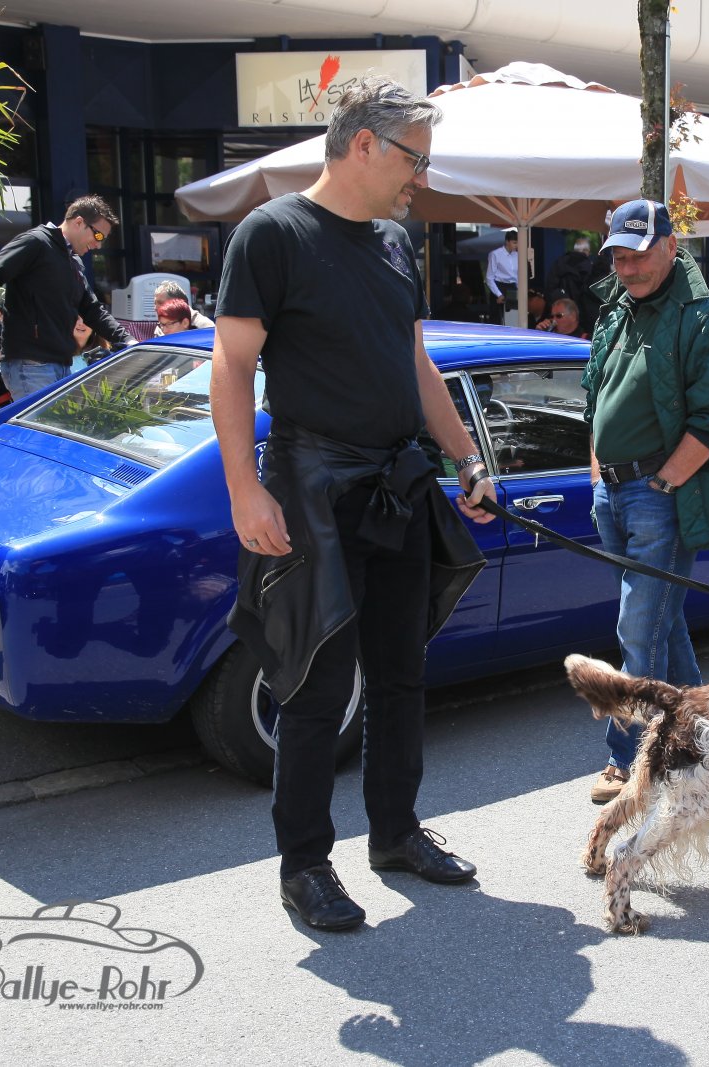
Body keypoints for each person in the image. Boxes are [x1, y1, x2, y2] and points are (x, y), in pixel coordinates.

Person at [209, 76, 495, 933]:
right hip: (313, 490)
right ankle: (304, 865)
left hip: (397, 486)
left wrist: (466, 457)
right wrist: (244, 488)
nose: (422, 179)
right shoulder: (272, 233)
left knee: (401, 674)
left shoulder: (397, 241)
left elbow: (416, 364)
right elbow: (231, 365)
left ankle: (396, 833)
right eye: (415, 160)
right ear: (364, 144)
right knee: (315, 685)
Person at [582, 198, 709, 803]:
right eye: (618, 257)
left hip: (658, 495)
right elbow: (594, 395)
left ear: (671, 247)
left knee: (639, 630)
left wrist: (664, 482)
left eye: (638, 255)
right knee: (662, 622)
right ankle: (705, 740)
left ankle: (630, 760)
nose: (627, 268)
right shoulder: (616, 309)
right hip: (613, 492)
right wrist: (599, 472)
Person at [0, 195, 134, 400]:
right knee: (39, 423)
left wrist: (127, 340)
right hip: (31, 365)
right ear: (78, 222)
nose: (98, 245)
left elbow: (92, 309)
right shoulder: (36, 242)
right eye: (98, 235)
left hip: (60, 366)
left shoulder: (73, 260)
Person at [486, 228, 521, 323]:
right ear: (507, 242)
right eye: (514, 242)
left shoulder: (518, 255)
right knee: (497, 318)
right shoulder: (495, 254)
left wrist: (519, 290)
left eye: (518, 243)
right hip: (499, 286)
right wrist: (499, 294)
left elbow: (517, 276)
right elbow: (489, 278)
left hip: (512, 287)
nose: (516, 245)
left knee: (513, 318)